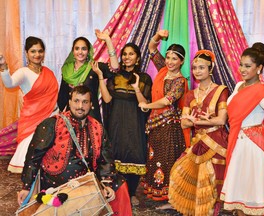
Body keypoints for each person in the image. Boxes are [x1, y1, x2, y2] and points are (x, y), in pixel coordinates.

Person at [18, 86, 132, 215]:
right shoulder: (52, 124)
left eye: (85, 102)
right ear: (70, 102)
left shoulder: (98, 128)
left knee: (120, 186)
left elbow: (105, 159)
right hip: (56, 185)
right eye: (76, 101)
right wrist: (26, 187)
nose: (80, 106)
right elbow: (33, 157)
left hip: (86, 184)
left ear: (91, 104)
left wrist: (107, 184)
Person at [220, 43, 264, 216]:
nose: (242, 69)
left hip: (253, 146)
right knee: (239, 193)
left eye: (248, 66)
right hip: (237, 143)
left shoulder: (261, 89)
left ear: (259, 68)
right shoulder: (238, 86)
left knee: (251, 191)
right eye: (241, 64)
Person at [167, 50, 229, 215]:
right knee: (184, 178)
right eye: (194, 68)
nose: (197, 71)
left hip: (216, 142)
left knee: (211, 186)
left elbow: (221, 120)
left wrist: (197, 121)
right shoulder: (189, 95)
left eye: (202, 67)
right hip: (197, 143)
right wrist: (200, 121)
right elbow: (183, 123)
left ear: (211, 68)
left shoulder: (221, 91)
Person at [92, 42, 152, 206]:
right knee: (115, 155)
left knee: (135, 154)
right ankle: (118, 192)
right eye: (124, 54)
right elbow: (107, 99)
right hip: (116, 122)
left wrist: (136, 88)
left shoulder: (144, 78)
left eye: (131, 54)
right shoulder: (115, 77)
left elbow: (144, 105)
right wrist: (99, 76)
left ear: (138, 58)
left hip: (135, 123)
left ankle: (131, 193)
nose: (127, 57)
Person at [138, 30, 187, 202]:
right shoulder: (162, 70)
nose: (170, 61)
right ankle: (156, 192)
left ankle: (171, 197)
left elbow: (167, 101)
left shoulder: (180, 81)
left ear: (182, 61)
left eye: (174, 58)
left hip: (170, 127)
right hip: (155, 124)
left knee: (167, 161)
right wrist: (158, 36)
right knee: (154, 158)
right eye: (168, 57)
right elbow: (151, 47)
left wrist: (146, 106)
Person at [0, 36, 58, 173]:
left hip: (52, 115)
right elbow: (9, 84)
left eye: (40, 51)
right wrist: (3, 66)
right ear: (26, 53)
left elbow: (53, 97)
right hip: (32, 118)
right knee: (30, 147)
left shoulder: (48, 72)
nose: (37, 55)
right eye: (33, 51)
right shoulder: (23, 72)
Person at [58, 29, 118, 126]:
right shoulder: (67, 70)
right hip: (72, 117)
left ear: (88, 51)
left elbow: (114, 68)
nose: (80, 52)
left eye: (84, 49)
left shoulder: (94, 67)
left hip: (91, 117)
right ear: (73, 51)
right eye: (77, 48)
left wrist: (108, 40)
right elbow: (62, 97)